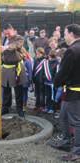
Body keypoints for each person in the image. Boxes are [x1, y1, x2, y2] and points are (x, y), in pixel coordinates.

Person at [52, 24, 80, 161]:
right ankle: (66, 141)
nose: (64, 35)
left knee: (75, 121)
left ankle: (77, 151)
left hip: (74, 92)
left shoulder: (72, 51)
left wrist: (56, 82)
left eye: (65, 32)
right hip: (71, 91)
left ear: (72, 34)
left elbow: (63, 72)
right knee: (63, 117)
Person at [1, 24, 27, 117]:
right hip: (5, 67)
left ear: (12, 30)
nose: (7, 35)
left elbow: (16, 45)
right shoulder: (3, 38)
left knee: (18, 90)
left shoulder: (19, 38)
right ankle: (6, 107)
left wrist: (6, 47)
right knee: (6, 89)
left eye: (8, 33)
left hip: (16, 67)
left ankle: (19, 108)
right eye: (5, 33)